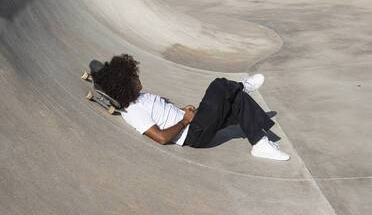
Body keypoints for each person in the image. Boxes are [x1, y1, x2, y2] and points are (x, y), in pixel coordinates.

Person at [91, 54, 290, 161]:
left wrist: (182, 111)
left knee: (236, 100)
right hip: (193, 133)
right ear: (124, 86)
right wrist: (185, 120)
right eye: (134, 77)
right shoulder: (133, 112)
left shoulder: (140, 98)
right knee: (219, 85)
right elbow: (161, 138)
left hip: (194, 122)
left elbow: (163, 114)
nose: (138, 78)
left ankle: (260, 143)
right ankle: (243, 86)